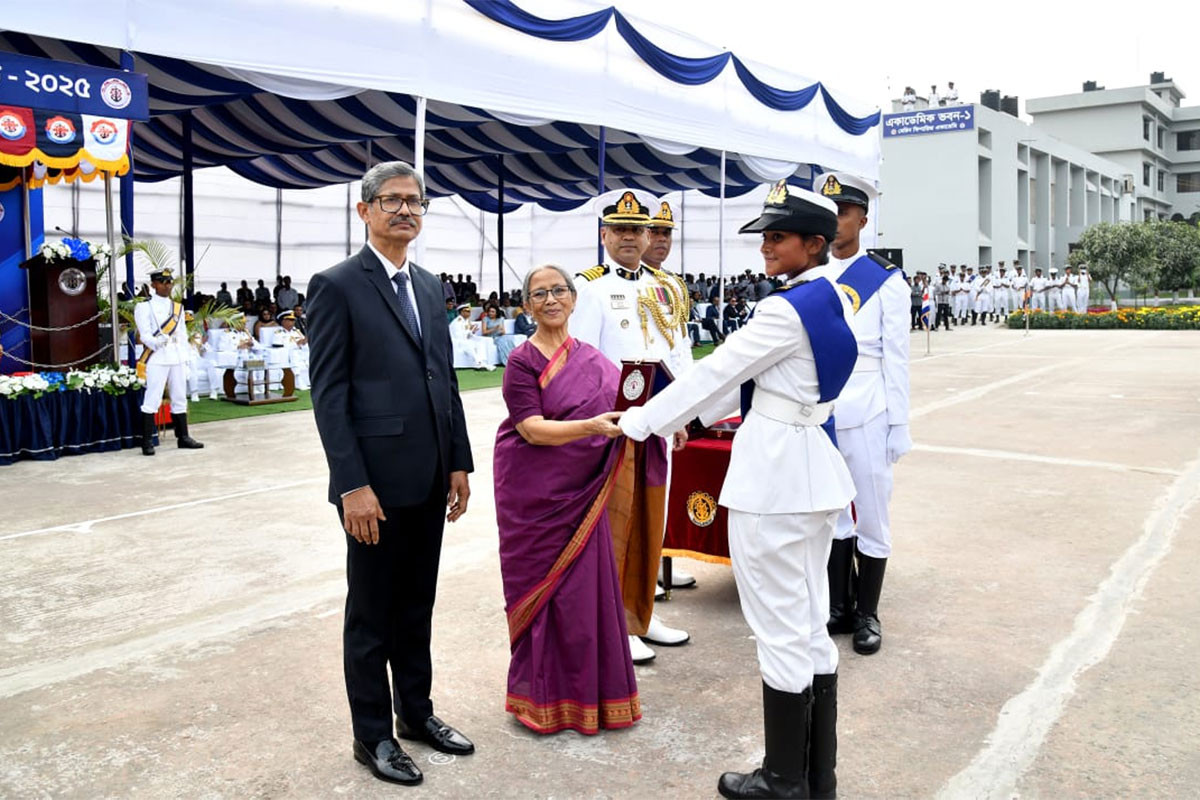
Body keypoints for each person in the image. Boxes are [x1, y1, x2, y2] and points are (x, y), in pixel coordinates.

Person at [620, 181, 855, 800]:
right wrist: (684, 419)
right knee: (807, 626)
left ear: (814, 243)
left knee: (780, 629)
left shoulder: (784, 310)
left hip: (774, 480)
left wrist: (639, 422)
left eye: (778, 238)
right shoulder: (831, 299)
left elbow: (718, 372)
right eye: (766, 238)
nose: (766, 249)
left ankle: (783, 780)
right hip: (811, 472)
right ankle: (814, 776)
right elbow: (745, 383)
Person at [307, 160, 475, 787]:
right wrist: (351, 485)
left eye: (415, 202)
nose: (406, 210)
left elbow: (445, 378)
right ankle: (372, 734)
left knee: (417, 605)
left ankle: (417, 714)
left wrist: (457, 459)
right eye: (393, 200)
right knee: (372, 612)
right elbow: (329, 393)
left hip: (429, 477)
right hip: (371, 486)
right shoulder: (337, 285)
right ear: (365, 211)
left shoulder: (430, 286)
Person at [494, 264, 640, 735]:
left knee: (583, 595)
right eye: (539, 294)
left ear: (574, 300)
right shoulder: (522, 361)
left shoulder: (595, 360)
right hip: (535, 496)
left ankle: (593, 696)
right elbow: (530, 429)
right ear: (526, 307)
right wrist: (592, 427)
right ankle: (540, 698)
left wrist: (663, 422)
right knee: (545, 596)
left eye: (559, 290)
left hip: (583, 494)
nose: (551, 299)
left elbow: (629, 406)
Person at [571, 189, 693, 664]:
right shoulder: (589, 287)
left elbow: (677, 353)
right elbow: (580, 360)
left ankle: (643, 613)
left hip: (657, 423)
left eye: (637, 229)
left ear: (648, 236)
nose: (628, 237)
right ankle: (617, 623)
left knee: (651, 522)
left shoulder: (666, 287)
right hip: (615, 426)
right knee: (615, 526)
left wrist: (680, 413)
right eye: (619, 229)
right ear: (604, 235)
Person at [815, 170, 911, 657]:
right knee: (833, 511)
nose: (835, 223)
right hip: (825, 405)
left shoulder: (885, 279)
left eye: (844, 213)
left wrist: (899, 423)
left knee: (872, 511)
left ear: (862, 219)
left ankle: (869, 613)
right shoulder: (813, 275)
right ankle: (841, 605)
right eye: (829, 213)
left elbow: (897, 355)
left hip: (871, 405)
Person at [644, 196, 701, 591]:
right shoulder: (628, 283)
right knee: (644, 494)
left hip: (675, 397)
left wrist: (691, 401)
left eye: (667, 233)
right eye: (655, 232)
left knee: (668, 490)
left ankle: (663, 561)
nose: (662, 240)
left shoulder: (673, 285)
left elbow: (681, 348)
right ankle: (647, 572)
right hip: (645, 399)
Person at [133, 268, 204, 455]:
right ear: (153, 285)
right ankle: (147, 441)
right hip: (157, 356)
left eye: (169, 282)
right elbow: (144, 335)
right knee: (152, 398)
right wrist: (156, 342)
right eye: (163, 282)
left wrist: (186, 359)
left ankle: (183, 437)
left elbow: (182, 334)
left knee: (180, 397)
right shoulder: (144, 307)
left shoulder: (177, 308)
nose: (167, 286)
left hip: (177, 356)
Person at [450, 304, 494, 371]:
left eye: (469, 311)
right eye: (466, 311)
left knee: (480, 343)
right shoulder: (457, 322)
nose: (469, 313)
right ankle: (478, 363)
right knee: (469, 344)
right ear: (461, 312)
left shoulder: (466, 320)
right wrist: (470, 331)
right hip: (457, 342)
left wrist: (471, 332)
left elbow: (468, 334)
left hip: (465, 340)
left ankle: (483, 362)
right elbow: (459, 336)